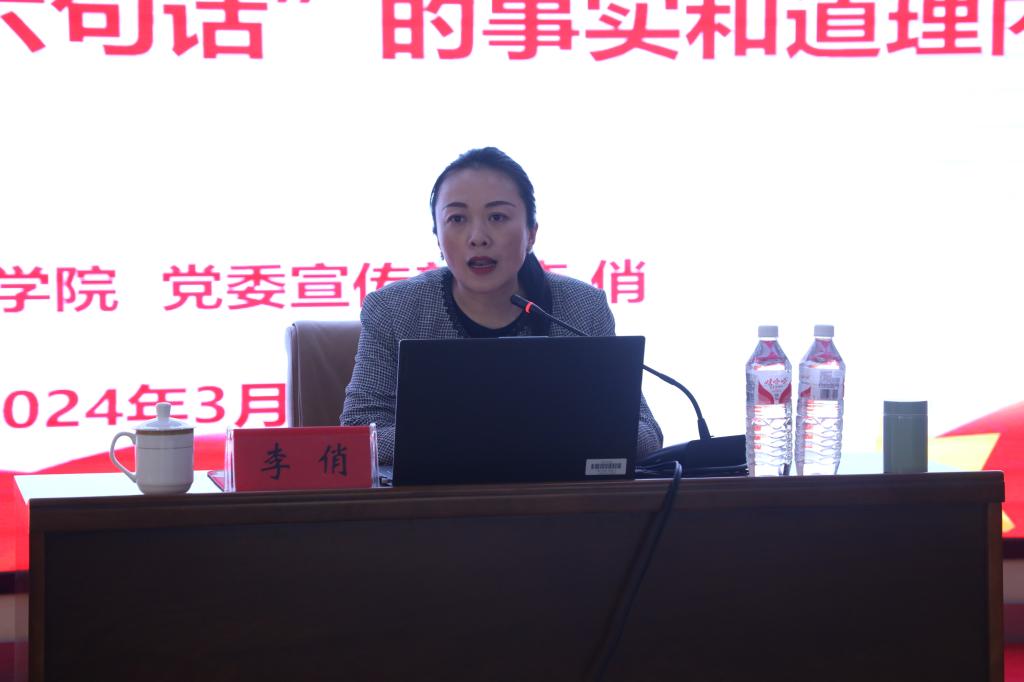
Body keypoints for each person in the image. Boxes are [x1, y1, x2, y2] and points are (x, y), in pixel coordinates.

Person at [341, 147, 663, 466]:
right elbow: (358, 433)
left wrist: (524, 437)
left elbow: (646, 432)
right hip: (435, 499)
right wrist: (482, 437)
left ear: (531, 233)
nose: (478, 237)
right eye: (457, 218)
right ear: (437, 236)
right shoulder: (393, 310)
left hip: (556, 497)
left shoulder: (583, 307)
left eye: (497, 217)